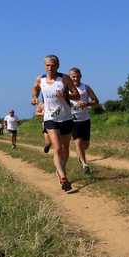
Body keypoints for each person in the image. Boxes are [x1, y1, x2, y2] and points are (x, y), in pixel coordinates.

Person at [31, 55, 80, 192]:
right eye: (47, 65)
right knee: (57, 148)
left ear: (58, 65)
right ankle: (64, 179)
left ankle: (59, 170)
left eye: (52, 65)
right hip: (50, 118)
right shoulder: (40, 79)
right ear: (44, 66)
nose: (49, 67)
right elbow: (35, 89)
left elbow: (76, 95)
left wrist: (66, 96)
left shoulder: (64, 79)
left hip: (66, 117)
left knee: (65, 149)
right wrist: (35, 97)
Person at [68, 67, 99, 174]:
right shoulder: (65, 89)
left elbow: (96, 101)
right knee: (78, 142)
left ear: (80, 76)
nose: (75, 79)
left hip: (85, 119)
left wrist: (87, 104)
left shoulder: (86, 88)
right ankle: (85, 164)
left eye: (77, 76)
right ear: (69, 78)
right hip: (72, 120)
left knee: (85, 145)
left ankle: (80, 157)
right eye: (73, 77)